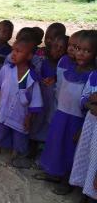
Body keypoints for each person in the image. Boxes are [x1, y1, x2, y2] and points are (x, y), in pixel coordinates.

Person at [37, 30, 97, 195]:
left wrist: (82, 127)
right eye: (77, 48)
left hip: (77, 120)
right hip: (61, 114)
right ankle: (53, 173)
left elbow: (87, 101)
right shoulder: (69, 68)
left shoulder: (92, 75)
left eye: (86, 50)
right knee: (56, 144)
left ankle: (67, 181)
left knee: (70, 150)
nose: (79, 53)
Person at [0, 33, 43, 158]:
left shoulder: (32, 78)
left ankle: (15, 153)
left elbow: (35, 101)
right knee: (0, 129)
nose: (13, 54)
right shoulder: (6, 69)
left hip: (21, 113)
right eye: (13, 50)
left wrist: (29, 118)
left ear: (29, 56)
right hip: (4, 109)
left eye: (18, 51)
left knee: (19, 134)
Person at [29, 35, 69, 157]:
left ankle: (43, 146)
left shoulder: (64, 66)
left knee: (48, 121)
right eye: (55, 46)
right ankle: (32, 144)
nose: (57, 50)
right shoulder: (42, 61)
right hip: (39, 98)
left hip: (53, 101)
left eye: (62, 48)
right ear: (50, 45)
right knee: (36, 120)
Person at [70, 67, 97, 203]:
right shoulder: (93, 76)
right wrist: (91, 105)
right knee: (86, 156)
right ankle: (85, 192)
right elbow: (83, 99)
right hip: (90, 124)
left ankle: (92, 195)